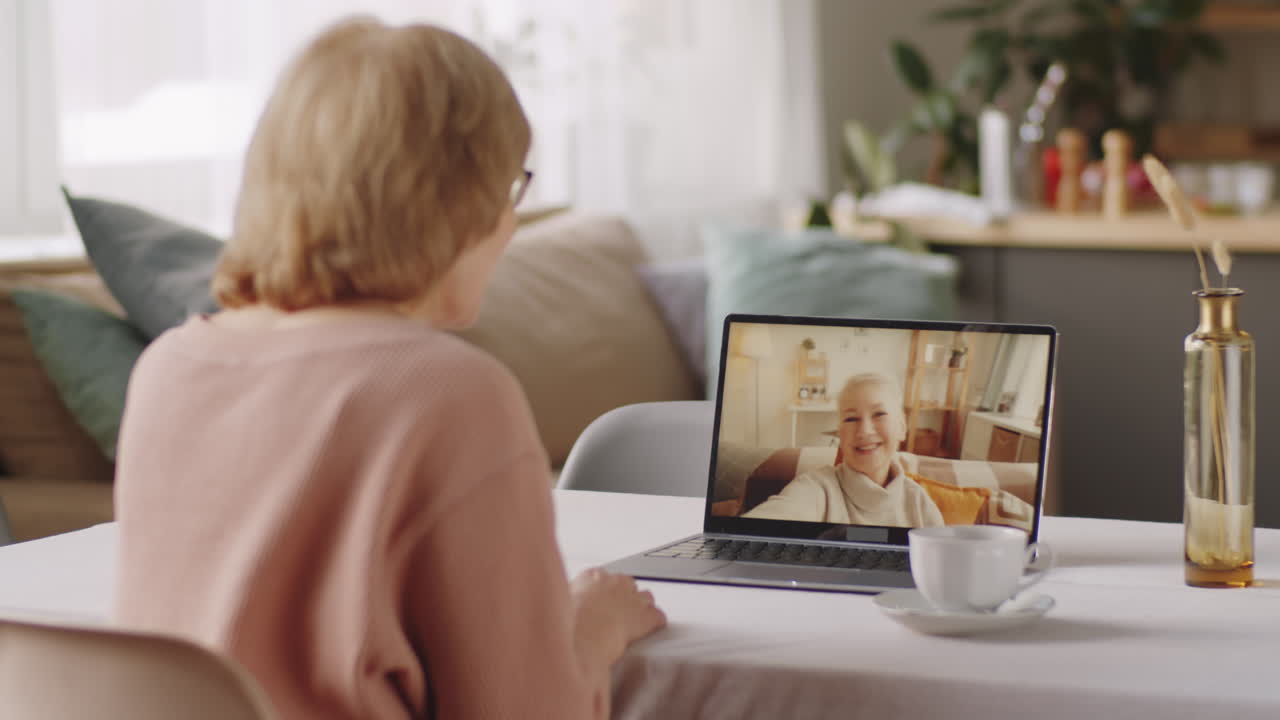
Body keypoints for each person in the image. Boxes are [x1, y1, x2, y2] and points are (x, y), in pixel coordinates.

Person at [112, 17, 665, 720]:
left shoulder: (169, 366)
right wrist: (591, 631)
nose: (510, 221)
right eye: (509, 187)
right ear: (456, 199)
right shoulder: (449, 393)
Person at [743, 373, 944, 527]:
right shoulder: (816, 489)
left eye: (879, 414)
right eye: (851, 418)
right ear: (840, 433)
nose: (864, 431)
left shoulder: (920, 504)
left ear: (901, 426)